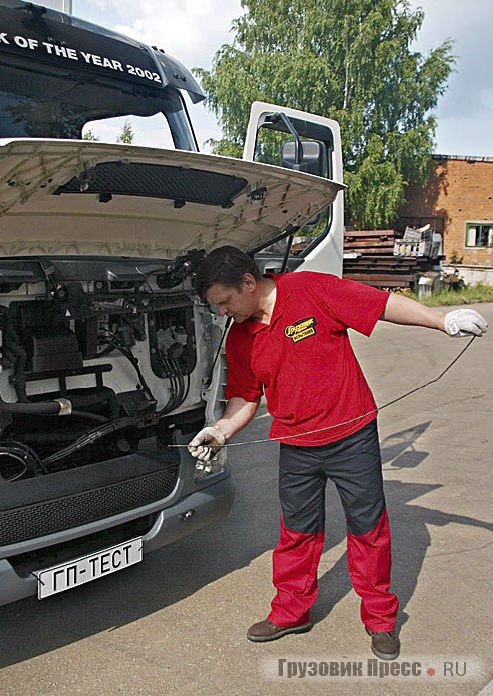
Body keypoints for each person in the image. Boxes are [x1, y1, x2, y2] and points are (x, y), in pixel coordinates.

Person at [188, 245, 488, 660]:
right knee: (297, 532)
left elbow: (381, 304)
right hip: (296, 445)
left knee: (367, 529)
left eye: (225, 302)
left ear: (248, 282)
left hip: (352, 436)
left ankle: (381, 620)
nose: (222, 313)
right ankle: (292, 611)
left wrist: (442, 319)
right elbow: (244, 396)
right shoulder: (240, 336)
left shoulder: (310, 290)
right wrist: (219, 431)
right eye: (215, 306)